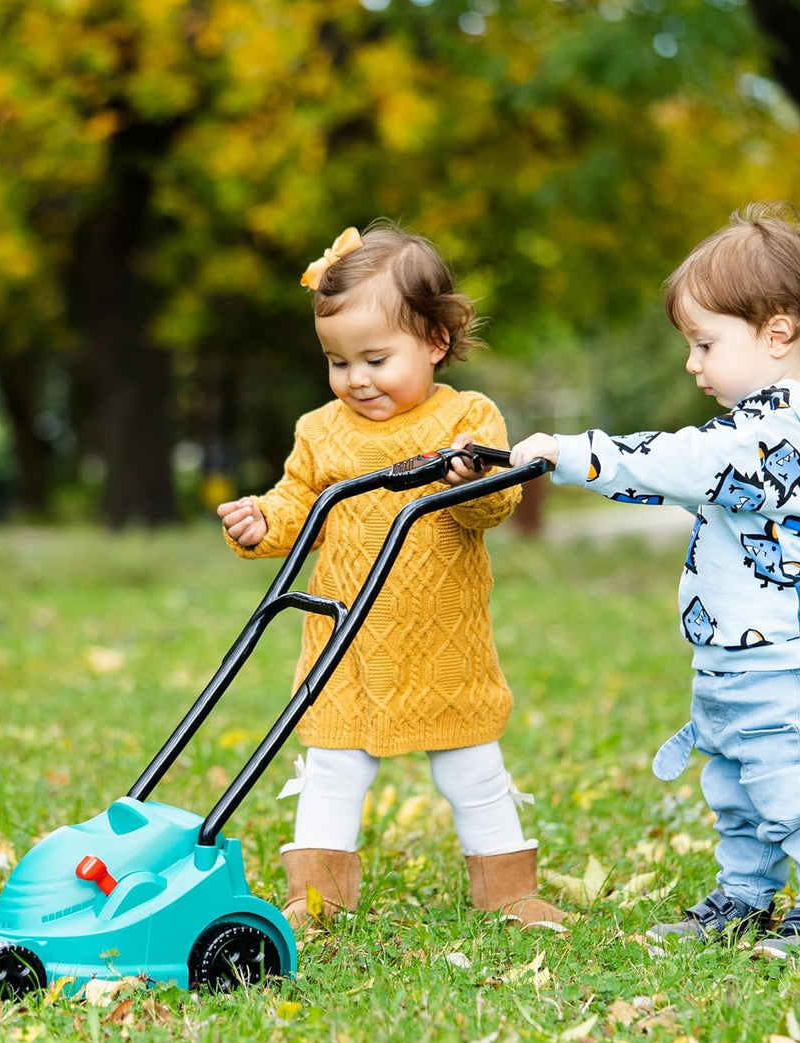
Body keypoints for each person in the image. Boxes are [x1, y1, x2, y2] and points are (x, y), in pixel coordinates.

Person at [510, 203, 800, 957]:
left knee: (793, 793)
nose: (692, 364)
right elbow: (686, 478)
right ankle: (746, 895)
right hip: (739, 659)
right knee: (737, 788)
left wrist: (570, 453)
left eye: (704, 343)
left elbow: (675, 464)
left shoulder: (779, 428)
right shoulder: (773, 421)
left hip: (788, 665)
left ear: (778, 332)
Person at [218, 223, 566, 931]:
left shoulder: (467, 419)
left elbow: (497, 506)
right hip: (343, 640)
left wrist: (474, 475)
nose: (356, 379)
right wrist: (262, 520)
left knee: (470, 766)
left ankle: (508, 890)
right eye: (338, 362)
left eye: (375, 358)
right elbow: (296, 504)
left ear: (435, 342)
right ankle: (315, 898)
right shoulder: (321, 430)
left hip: (442, 641)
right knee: (331, 770)